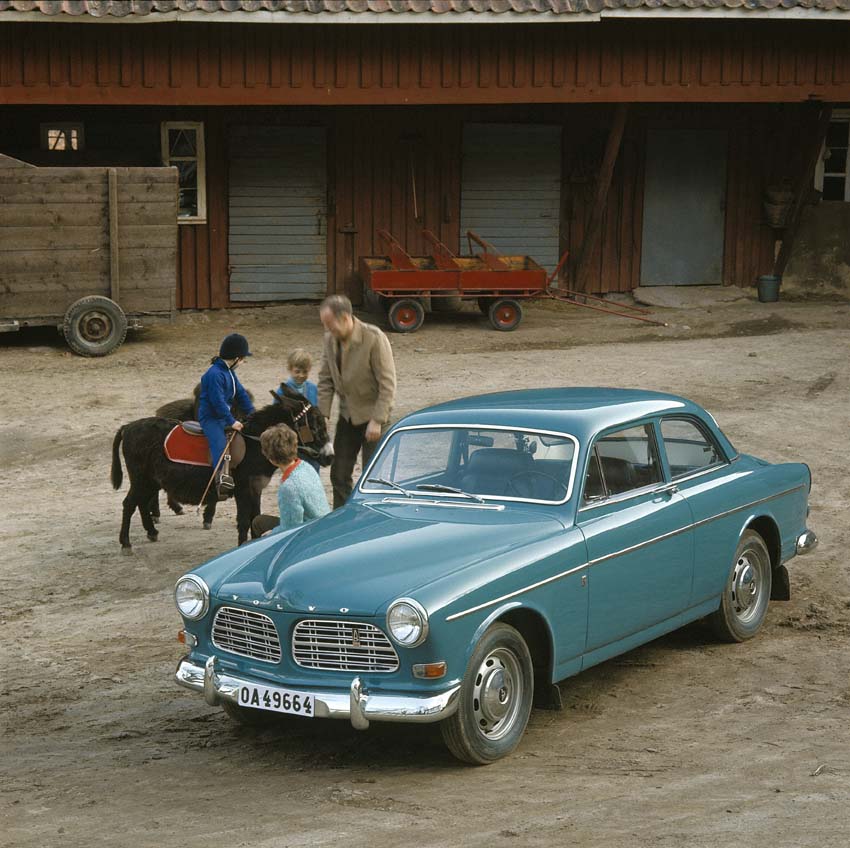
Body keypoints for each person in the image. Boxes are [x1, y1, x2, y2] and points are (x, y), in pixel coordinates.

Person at [317, 294, 396, 509]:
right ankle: (342, 520)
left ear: (345, 318)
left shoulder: (374, 338)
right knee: (339, 475)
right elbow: (325, 379)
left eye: (329, 324)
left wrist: (377, 420)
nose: (327, 330)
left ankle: (370, 525)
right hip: (347, 416)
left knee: (373, 479)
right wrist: (322, 415)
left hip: (373, 419)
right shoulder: (329, 339)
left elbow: (387, 384)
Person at [198, 333, 255, 496]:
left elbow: (241, 394)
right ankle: (221, 478)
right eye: (243, 359)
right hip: (211, 417)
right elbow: (218, 403)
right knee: (220, 443)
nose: (243, 362)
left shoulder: (229, 372)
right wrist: (231, 421)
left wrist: (253, 414)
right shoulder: (214, 374)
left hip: (222, 415)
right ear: (236, 358)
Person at [250, 424, 330, 537]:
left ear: (271, 459)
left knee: (258, 532)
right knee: (259, 522)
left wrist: (272, 533)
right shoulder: (306, 466)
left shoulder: (289, 487)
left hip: (310, 535)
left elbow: (290, 530)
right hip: (322, 525)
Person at [274, 348, 321, 472]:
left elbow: (318, 411)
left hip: (309, 435)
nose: (301, 375)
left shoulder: (312, 389)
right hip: (290, 436)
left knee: (313, 467)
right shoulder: (282, 391)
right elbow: (276, 414)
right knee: (293, 469)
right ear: (290, 369)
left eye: (305, 372)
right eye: (297, 371)